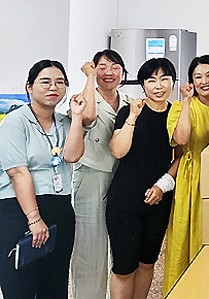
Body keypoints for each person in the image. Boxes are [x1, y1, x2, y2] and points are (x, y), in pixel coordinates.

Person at [0, 60, 86, 299]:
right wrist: (34, 219)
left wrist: (77, 117)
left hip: (59, 208)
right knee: (21, 286)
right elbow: (18, 173)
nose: (53, 87)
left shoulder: (64, 122)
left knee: (54, 285)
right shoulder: (15, 122)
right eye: (45, 82)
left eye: (60, 82)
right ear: (30, 86)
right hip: (19, 210)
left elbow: (72, 156)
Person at [107, 58, 181, 299]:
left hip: (158, 200)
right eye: (151, 80)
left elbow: (182, 156)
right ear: (143, 84)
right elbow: (118, 151)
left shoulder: (176, 114)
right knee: (124, 268)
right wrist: (133, 117)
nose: (159, 86)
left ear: (173, 82)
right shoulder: (129, 111)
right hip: (125, 201)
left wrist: (163, 185)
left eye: (164, 79)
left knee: (147, 263)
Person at [163, 55, 209, 296]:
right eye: (197, 77)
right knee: (185, 239)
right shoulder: (180, 106)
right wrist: (187, 101)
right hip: (192, 177)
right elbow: (181, 139)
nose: (204, 81)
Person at [71, 50, 133, 299]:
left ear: (123, 73)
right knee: (90, 248)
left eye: (115, 67)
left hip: (121, 178)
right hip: (92, 175)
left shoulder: (129, 101)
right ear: (93, 69)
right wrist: (88, 77)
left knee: (120, 246)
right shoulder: (83, 98)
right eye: (102, 67)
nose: (109, 72)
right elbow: (87, 117)